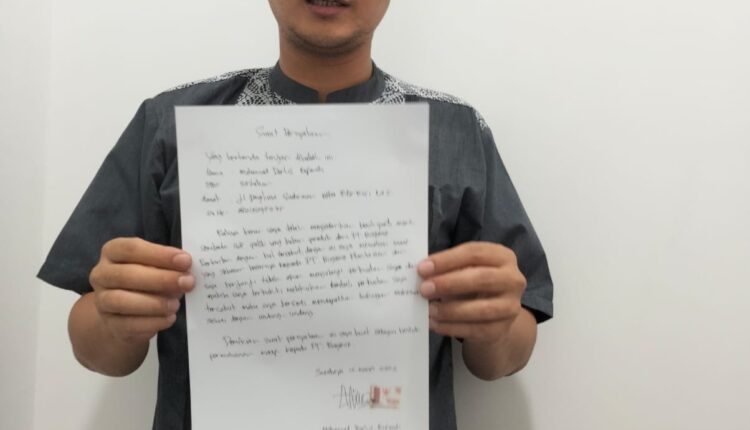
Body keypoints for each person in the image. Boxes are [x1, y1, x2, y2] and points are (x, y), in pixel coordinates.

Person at [38, 1, 553, 429]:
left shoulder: (455, 132)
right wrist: (117, 321)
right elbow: (95, 347)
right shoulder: (172, 126)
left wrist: (496, 326)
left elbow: (506, 355)